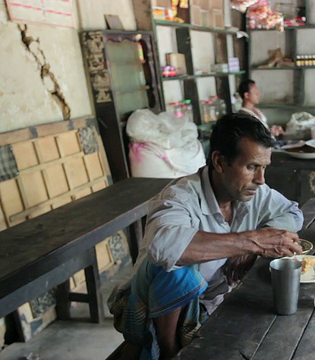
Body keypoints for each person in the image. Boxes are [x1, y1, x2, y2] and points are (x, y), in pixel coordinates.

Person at [108, 113, 304, 360]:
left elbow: (292, 212)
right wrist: (251, 241)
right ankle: (167, 351)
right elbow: (165, 247)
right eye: (252, 167)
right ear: (220, 162)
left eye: (264, 168)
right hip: (145, 311)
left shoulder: (254, 193)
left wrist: (248, 246)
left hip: (206, 304)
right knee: (178, 270)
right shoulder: (180, 197)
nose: (261, 179)